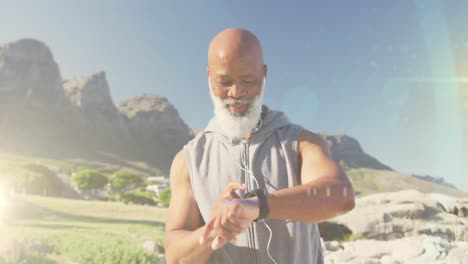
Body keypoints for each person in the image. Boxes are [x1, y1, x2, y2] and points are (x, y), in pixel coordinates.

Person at [164, 27, 355, 264]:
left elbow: (342, 195)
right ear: (209, 76)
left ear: (263, 74)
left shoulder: (302, 143)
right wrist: (214, 229)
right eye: (224, 81)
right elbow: (174, 255)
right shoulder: (189, 160)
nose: (236, 92)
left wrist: (257, 205)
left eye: (248, 80)